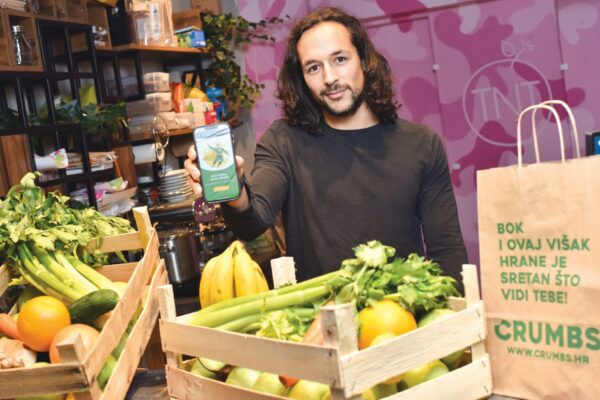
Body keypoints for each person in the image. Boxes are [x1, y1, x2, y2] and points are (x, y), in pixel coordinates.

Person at [186, 7, 468, 288]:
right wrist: (234, 190)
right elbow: (253, 222)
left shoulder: (421, 144)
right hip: (320, 325)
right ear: (302, 79)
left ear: (364, 60)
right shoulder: (284, 140)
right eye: (313, 67)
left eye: (340, 59)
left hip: (402, 320)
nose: (329, 77)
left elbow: (448, 252)